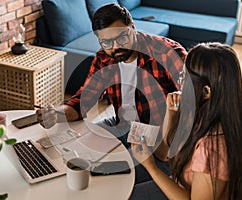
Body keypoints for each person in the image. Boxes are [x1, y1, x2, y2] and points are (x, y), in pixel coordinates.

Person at [36, 3, 187, 183]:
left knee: (114, 180)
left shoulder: (166, 53)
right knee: (73, 155)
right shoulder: (104, 59)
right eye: (106, 42)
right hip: (123, 124)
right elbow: (82, 102)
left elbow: (196, 100)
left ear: (132, 27)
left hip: (160, 141)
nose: (115, 47)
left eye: (121, 38)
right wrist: (56, 114)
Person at [130, 42, 242, 199]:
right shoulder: (208, 113)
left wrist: (151, 168)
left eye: (186, 78)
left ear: (206, 91)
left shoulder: (214, 148)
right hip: (180, 182)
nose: (181, 82)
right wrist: (172, 114)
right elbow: (167, 152)